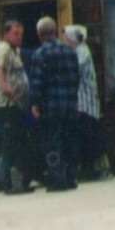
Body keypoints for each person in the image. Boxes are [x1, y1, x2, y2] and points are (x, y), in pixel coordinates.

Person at [27, 17, 82, 192]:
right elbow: (76, 78)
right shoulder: (70, 52)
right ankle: (71, 177)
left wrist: (34, 103)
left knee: (52, 143)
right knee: (69, 141)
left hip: (50, 107)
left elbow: (37, 82)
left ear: (39, 34)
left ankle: (57, 179)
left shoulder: (40, 54)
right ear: (55, 31)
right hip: (69, 104)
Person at [0, 19, 32, 193]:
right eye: (15, 33)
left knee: (19, 144)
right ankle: (7, 183)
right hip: (5, 105)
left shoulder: (15, 51)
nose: (19, 37)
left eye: (21, 34)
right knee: (9, 145)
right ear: (6, 34)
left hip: (16, 105)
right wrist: (5, 86)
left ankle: (19, 183)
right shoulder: (3, 48)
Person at [63, 26, 110, 180]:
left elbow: (72, 71)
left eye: (66, 39)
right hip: (81, 102)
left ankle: (102, 168)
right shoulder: (78, 51)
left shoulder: (82, 52)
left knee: (92, 135)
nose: (65, 42)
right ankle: (92, 169)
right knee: (86, 136)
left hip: (86, 102)